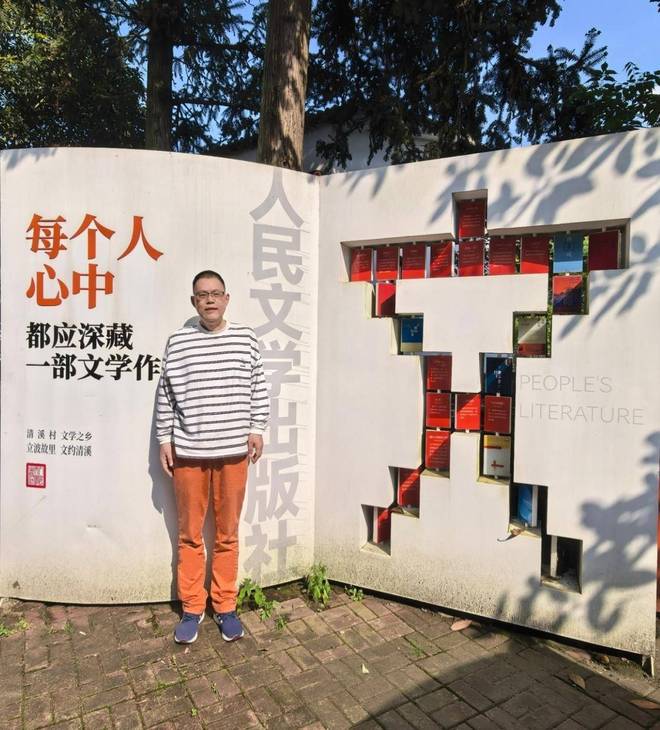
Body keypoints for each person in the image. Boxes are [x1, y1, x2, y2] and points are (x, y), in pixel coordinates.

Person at [156, 270, 269, 644]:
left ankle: (225, 605)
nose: (209, 300)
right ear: (193, 301)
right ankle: (192, 607)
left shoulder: (245, 338)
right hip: (189, 452)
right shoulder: (178, 341)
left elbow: (258, 387)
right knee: (190, 535)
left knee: (227, 534)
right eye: (202, 295)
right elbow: (166, 395)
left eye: (216, 293)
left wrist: (257, 428)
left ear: (226, 298)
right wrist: (164, 439)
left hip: (234, 453)